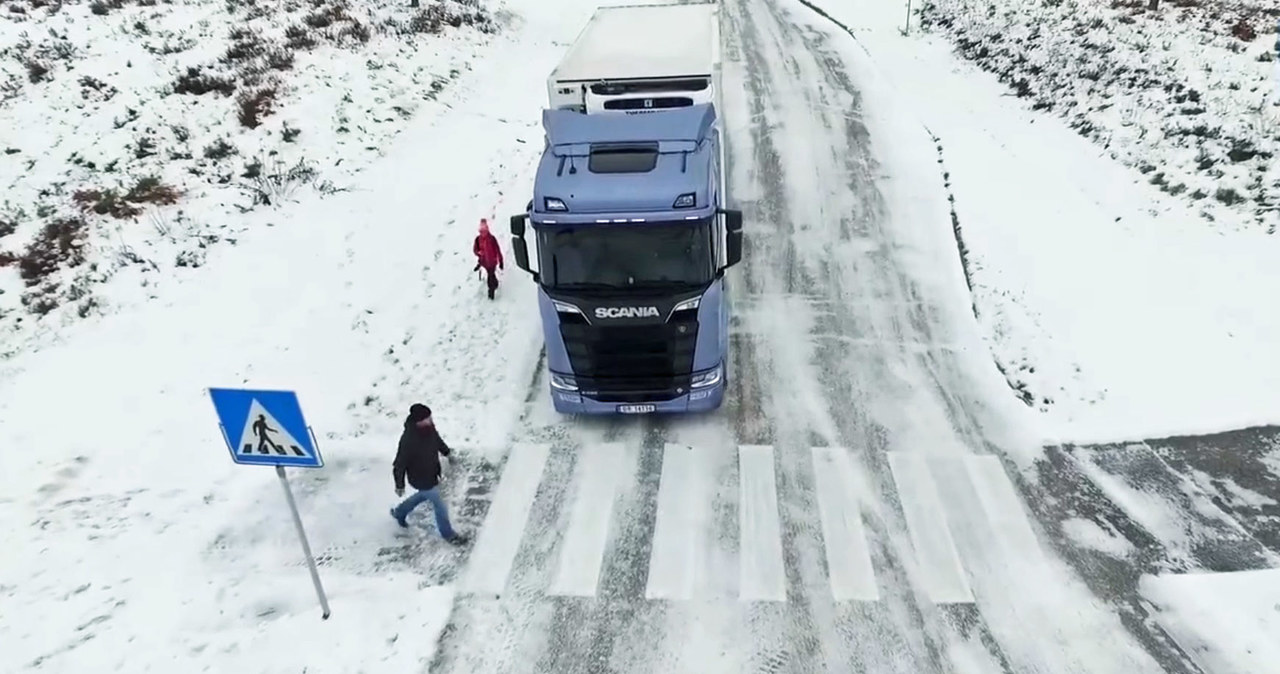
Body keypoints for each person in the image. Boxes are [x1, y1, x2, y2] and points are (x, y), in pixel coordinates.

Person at [390, 403, 468, 544]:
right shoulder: (408, 440)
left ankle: (399, 512)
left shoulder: (428, 428)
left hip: (432, 472)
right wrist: (399, 485)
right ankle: (448, 535)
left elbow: (436, 440)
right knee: (439, 504)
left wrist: (447, 453)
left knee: (424, 495)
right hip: (420, 477)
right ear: (419, 421)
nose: (431, 420)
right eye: (427, 418)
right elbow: (399, 465)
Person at [473, 218, 504, 300]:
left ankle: (491, 293)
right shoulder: (478, 240)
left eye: (484, 231)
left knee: (490, 277)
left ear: (487, 229)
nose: (483, 233)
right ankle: (495, 284)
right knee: (491, 275)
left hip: (492, 262)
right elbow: (475, 250)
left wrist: (501, 261)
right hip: (484, 262)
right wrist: (478, 253)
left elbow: (498, 250)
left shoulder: (492, 239)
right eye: (481, 231)